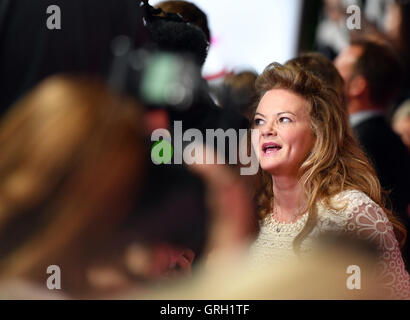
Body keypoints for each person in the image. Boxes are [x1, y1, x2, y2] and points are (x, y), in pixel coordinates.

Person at [248, 62, 409, 299]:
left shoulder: (353, 212)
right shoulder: (252, 214)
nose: (266, 130)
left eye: (283, 120)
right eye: (259, 121)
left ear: (318, 134)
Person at [334, 39, 410, 266]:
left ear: (358, 86)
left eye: (338, 67)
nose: (329, 72)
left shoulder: (361, 144)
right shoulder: (385, 139)